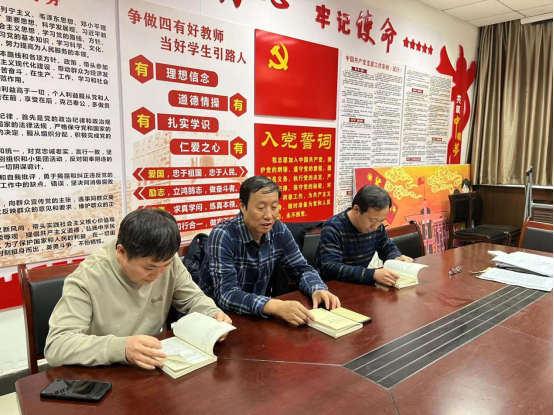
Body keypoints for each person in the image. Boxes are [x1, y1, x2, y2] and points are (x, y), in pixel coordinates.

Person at [45, 209, 231, 370]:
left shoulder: (166, 260)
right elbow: (57, 345)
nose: (158, 275)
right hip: (102, 371)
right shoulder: (87, 278)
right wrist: (121, 348)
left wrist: (213, 315)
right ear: (121, 252)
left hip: (150, 364)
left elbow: (192, 299)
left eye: (165, 265)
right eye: (149, 268)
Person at [199, 176, 340, 327]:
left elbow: (301, 269)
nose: (269, 216)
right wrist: (274, 306)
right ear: (242, 206)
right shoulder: (223, 235)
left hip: (256, 317)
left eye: (274, 207)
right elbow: (226, 295)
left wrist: (317, 289)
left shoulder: (278, 230)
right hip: (217, 320)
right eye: (261, 208)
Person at [314, 185, 413, 287]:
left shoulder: (377, 227)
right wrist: (371, 274)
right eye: (372, 220)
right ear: (356, 209)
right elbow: (331, 268)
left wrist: (396, 259)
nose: (375, 226)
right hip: (329, 287)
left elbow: (387, 248)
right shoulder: (333, 227)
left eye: (381, 221)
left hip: (359, 285)